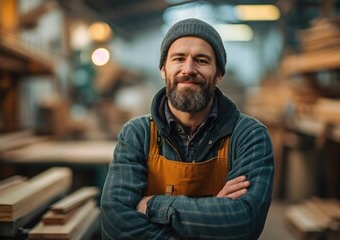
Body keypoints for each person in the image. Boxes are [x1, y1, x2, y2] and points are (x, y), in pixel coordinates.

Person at [100, 18, 274, 240]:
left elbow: (245, 222)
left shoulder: (249, 136)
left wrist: (154, 205)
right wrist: (215, 214)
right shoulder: (137, 134)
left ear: (219, 74)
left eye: (201, 60)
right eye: (179, 59)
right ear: (164, 69)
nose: (189, 69)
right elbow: (115, 225)